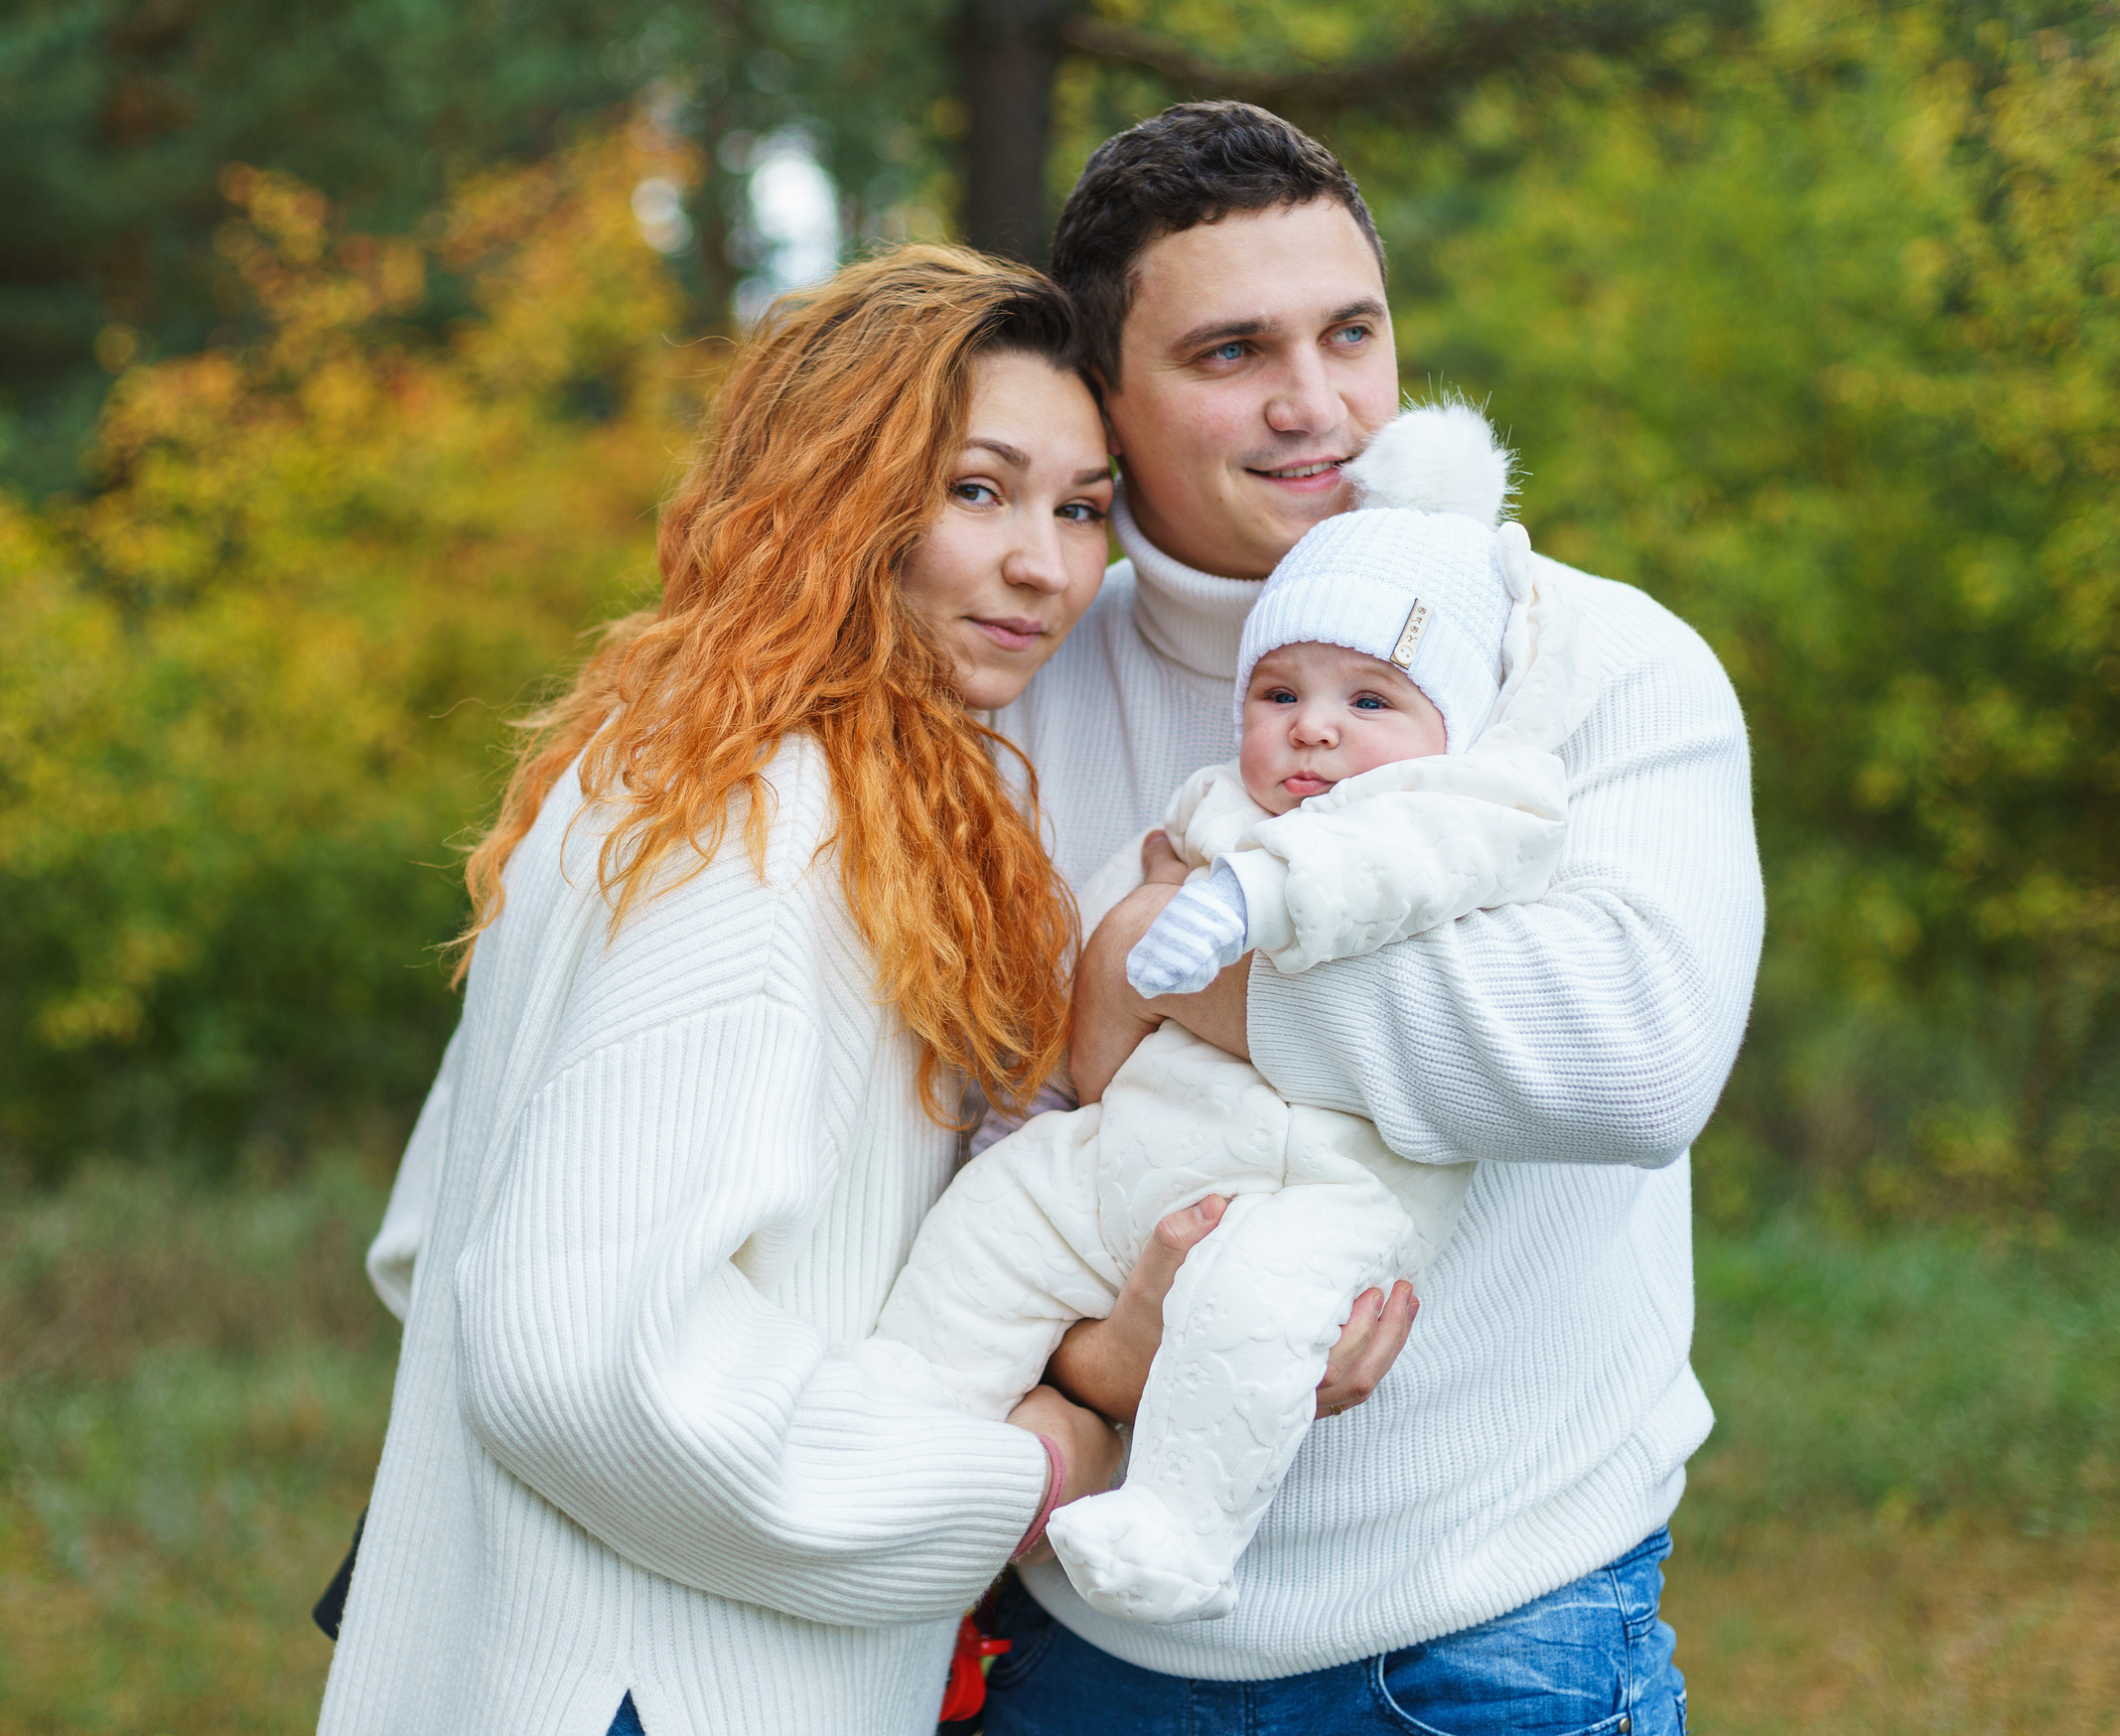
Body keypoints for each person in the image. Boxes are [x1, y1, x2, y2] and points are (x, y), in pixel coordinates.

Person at [318, 246, 1402, 1736]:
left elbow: (428, 1238)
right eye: (978, 490)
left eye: (1082, 509)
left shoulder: (661, 768)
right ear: (836, 493)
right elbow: (584, 1364)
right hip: (664, 1687)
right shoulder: (767, 827)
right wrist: (1026, 1470)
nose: (1047, 564)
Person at [970, 102, 1765, 1734]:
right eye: (1231, 350)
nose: (1314, 403)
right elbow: (956, 1141)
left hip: (1497, 1626)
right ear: (1105, 404)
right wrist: (1117, 1357)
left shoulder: (1597, 661)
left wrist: (1161, 969)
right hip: (1089, 1645)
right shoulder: (1014, 686)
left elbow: (1624, 1055)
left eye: (1351, 332)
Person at [860, 402, 1601, 1629]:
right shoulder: (1215, 802)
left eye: (1371, 699)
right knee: (998, 1208)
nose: (1313, 725)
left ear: (1446, 726)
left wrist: (1256, 893)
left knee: (1249, 1313)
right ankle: (908, 1401)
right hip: (1133, 1148)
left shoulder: (1465, 806)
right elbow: (1111, 942)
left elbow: (1389, 874)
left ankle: (1177, 1530)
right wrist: (1104, 968)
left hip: (1314, 1196)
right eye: (1280, 689)